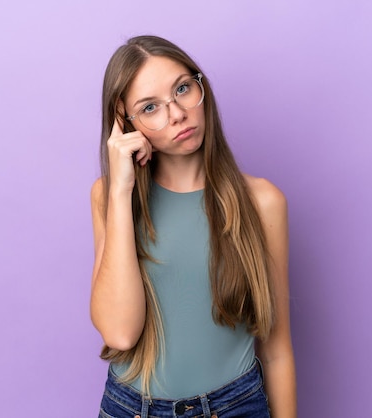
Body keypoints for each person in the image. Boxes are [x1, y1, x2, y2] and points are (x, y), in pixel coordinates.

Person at [90, 35, 296, 418]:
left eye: (183, 88)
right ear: (124, 123)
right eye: (150, 107)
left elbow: (277, 350)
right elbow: (119, 334)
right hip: (131, 410)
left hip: (237, 407)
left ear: (201, 87)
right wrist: (121, 191)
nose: (177, 114)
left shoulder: (263, 202)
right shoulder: (109, 196)